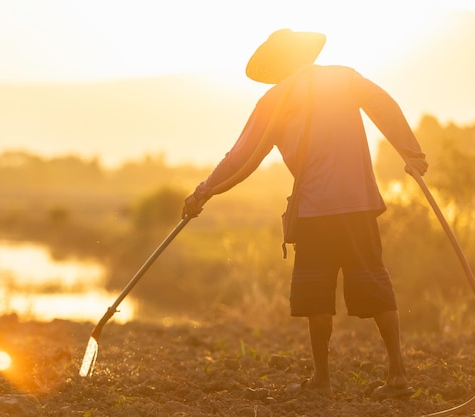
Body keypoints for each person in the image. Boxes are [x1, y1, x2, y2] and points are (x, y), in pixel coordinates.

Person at [182, 29, 428, 398]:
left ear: (278, 64)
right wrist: (412, 152)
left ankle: (322, 381)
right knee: (374, 280)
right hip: (358, 202)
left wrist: (203, 192)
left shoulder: (274, 100)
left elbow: (240, 157)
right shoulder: (344, 77)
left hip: (315, 209)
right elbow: (384, 106)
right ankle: (397, 374)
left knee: (317, 291)